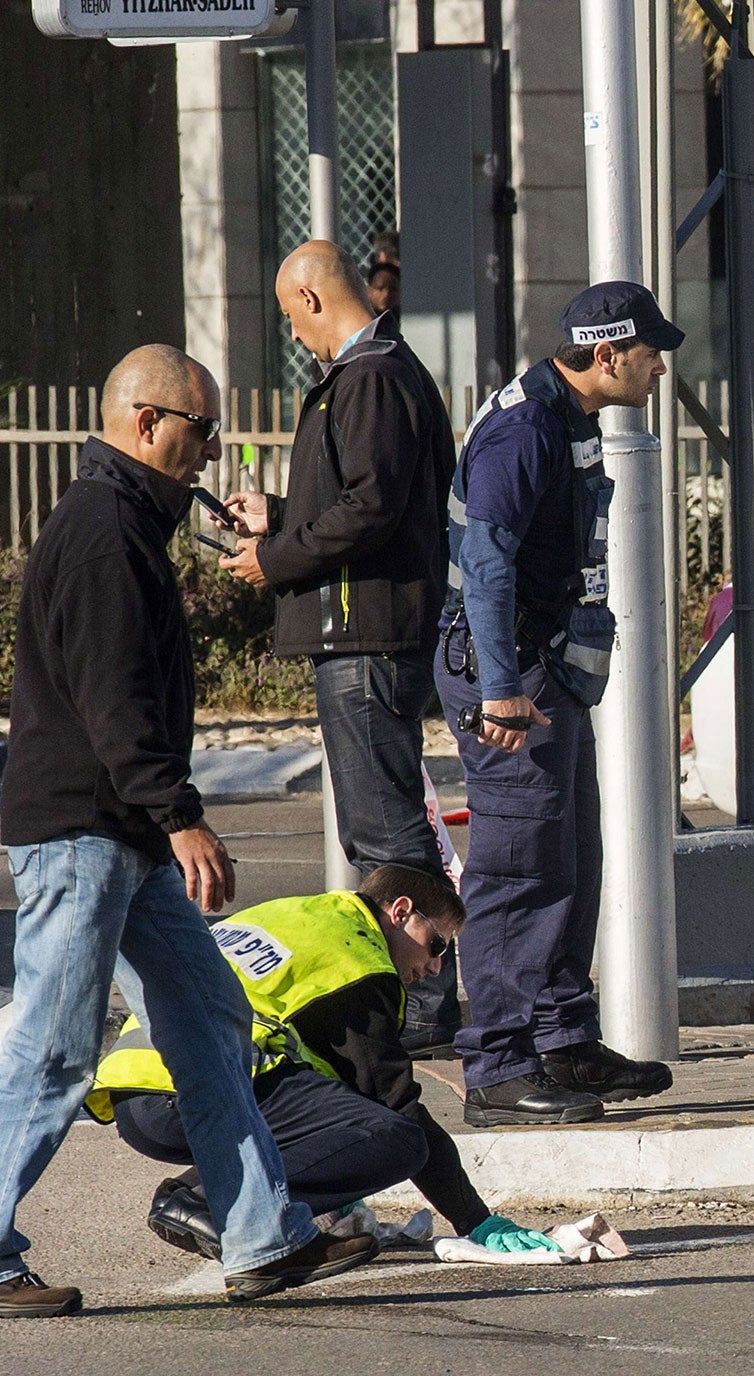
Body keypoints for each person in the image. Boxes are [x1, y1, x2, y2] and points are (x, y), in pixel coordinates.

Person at [0, 345, 377, 1315]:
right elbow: (114, 700)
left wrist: (156, 817)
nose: (210, 450)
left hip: (117, 833)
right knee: (52, 1050)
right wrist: (180, 816)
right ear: (144, 423)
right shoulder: (100, 533)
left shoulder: (128, 524)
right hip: (85, 833)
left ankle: (261, 1237)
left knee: (212, 1019)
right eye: (200, 429)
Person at [435, 282, 681, 1126]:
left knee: (570, 854)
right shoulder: (525, 429)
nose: (659, 364)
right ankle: (500, 1068)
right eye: (650, 349)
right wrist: (501, 688)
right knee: (516, 870)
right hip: (510, 678)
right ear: (607, 354)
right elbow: (490, 565)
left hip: (540, 673)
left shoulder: (564, 415)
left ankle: (562, 1042)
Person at [221, 240, 460, 1056]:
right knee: (380, 824)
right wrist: (279, 517)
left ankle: (425, 1000)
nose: (296, 336)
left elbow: (373, 508)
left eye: (293, 318)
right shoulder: (371, 376)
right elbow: (361, 498)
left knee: (386, 832)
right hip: (360, 631)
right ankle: (418, 993)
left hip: (368, 636)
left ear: (314, 300)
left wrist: (276, 557)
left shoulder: (372, 376)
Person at [90, 865, 557, 1261]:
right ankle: (207, 1204)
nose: (436, 967)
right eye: (437, 945)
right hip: (201, 1087)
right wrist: (475, 1218)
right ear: (400, 912)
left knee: (344, 1119)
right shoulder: (356, 963)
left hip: (138, 1094)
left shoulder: (298, 915)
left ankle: (206, 1200)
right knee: (395, 1140)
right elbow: (395, 1104)